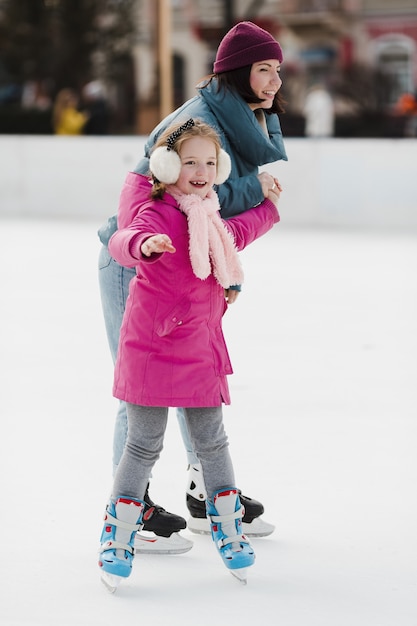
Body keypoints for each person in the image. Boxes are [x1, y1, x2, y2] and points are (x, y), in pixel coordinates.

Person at [97, 20, 287, 550]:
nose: (274, 83)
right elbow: (143, 195)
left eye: (278, 71)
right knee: (141, 391)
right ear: (236, 71)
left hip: (193, 267)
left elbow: (215, 220)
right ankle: (135, 509)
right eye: (264, 70)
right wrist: (142, 249)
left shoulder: (242, 117)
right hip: (141, 264)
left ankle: (207, 494)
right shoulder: (200, 119)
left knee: (193, 383)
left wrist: (226, 271)